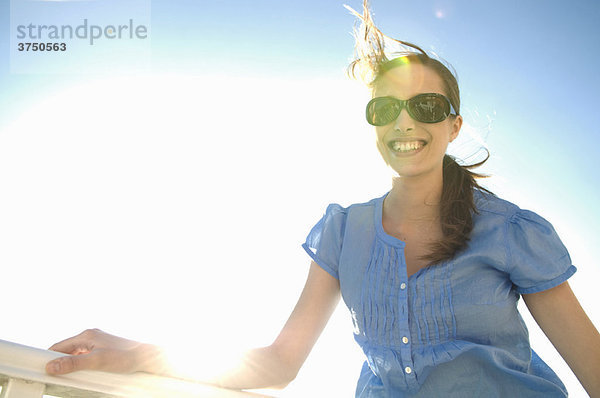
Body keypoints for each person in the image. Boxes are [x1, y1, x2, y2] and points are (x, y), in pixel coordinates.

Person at [45, 1, 600, 396]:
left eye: (426, 108)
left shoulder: (511, 231)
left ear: (454, 126)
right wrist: (135, 351)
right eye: (385, 109)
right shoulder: (344, 233)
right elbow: (278, 364)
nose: (405, 123)